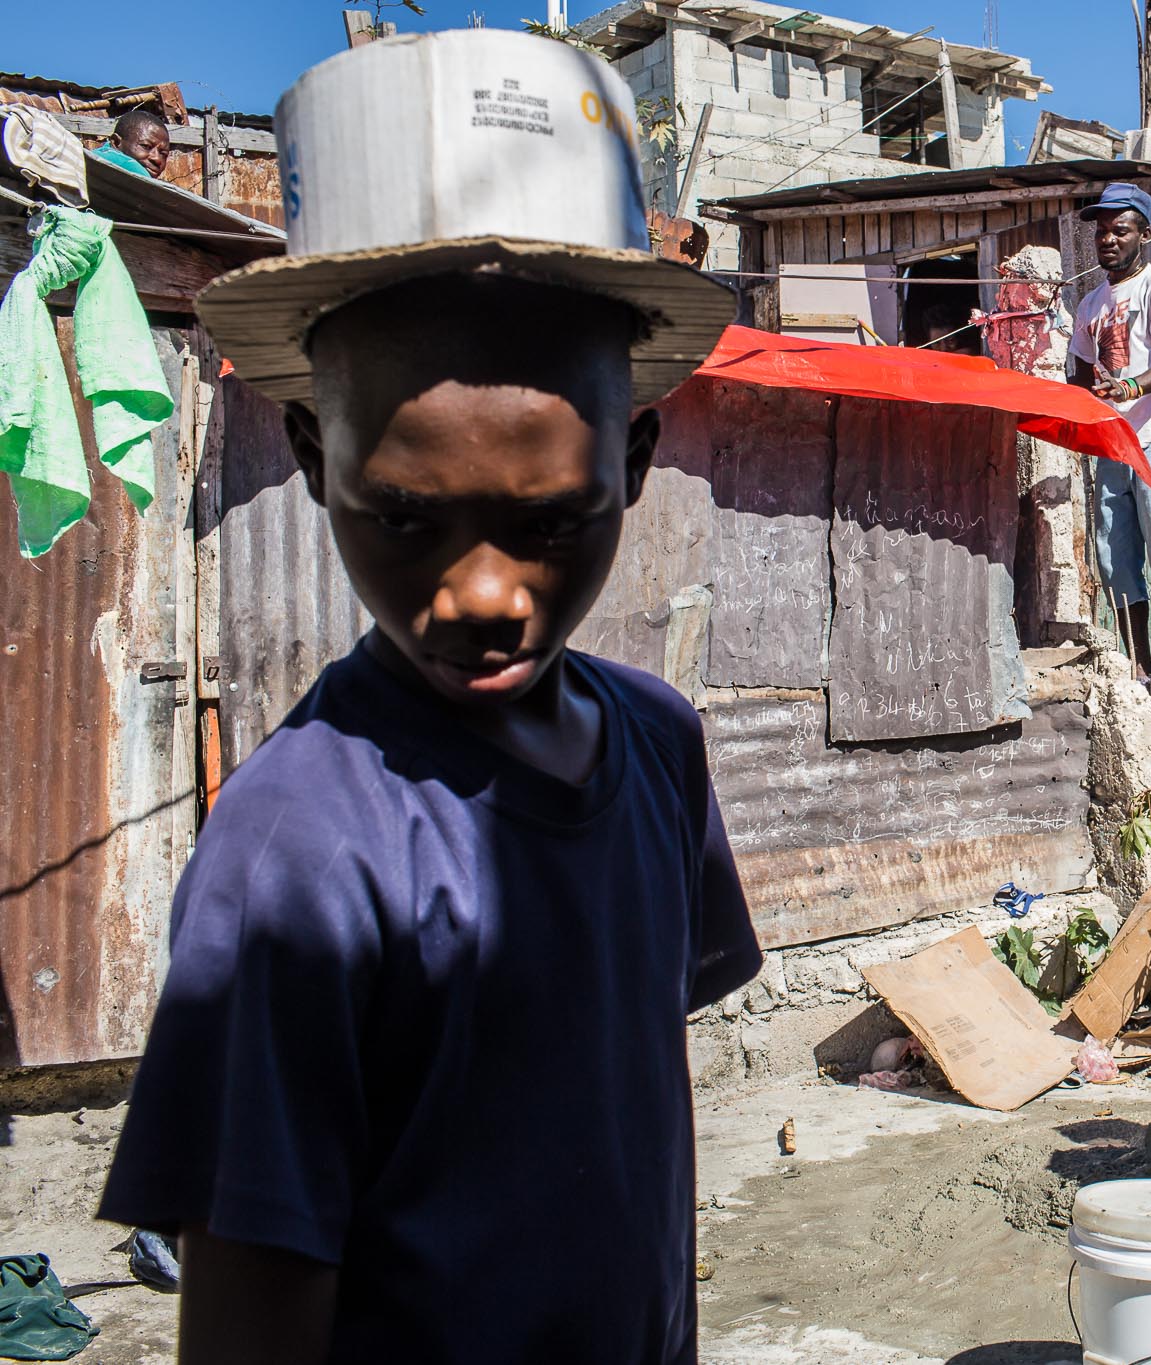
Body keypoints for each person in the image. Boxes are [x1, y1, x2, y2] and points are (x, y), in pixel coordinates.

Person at [96, 32, 757, 1365]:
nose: (480, 593)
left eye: (547, 521)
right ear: (307, 453)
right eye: (404, 518)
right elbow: (250, 1322)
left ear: (632, 460)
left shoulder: (659, 747)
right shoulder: (295, 861)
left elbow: (611, 1120)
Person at [1068, 182, 1151, 681]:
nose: (1108, 239)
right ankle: (1139, 673)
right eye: (1101, 232)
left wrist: (1128, 387)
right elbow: (1080, 379)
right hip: (1111, 444)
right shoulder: (1089, 306)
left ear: (1144, 233)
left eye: (1119, 230)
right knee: (1116, 562)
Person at [90, 108, 171, 178]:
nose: (157, 159)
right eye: (146, 146)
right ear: (116, 142)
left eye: (163, 154)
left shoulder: (94, 156)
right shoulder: (131, 167)